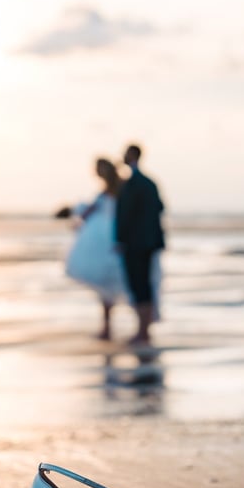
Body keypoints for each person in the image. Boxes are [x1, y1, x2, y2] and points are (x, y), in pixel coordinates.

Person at [63, 158, 128, 340]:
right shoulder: (114, 189)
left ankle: (114, 327)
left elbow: (92, 210)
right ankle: (108, 327)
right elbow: (90, 210)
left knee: (110, 284)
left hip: (109, 238)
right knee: (105, 286)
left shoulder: (114, 190)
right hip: (107, 237)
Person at [114, 143, 164, 346]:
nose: (122, 156)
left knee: (139, 285)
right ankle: (145, 330)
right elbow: (160, 208)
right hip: (150, 242)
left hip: (136, 244)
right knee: (146, 285)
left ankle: (142, 331)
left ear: (133, 155)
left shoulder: (132, 184)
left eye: (125, 153)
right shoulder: (150, 182)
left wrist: (120, 239)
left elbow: (124, 215)